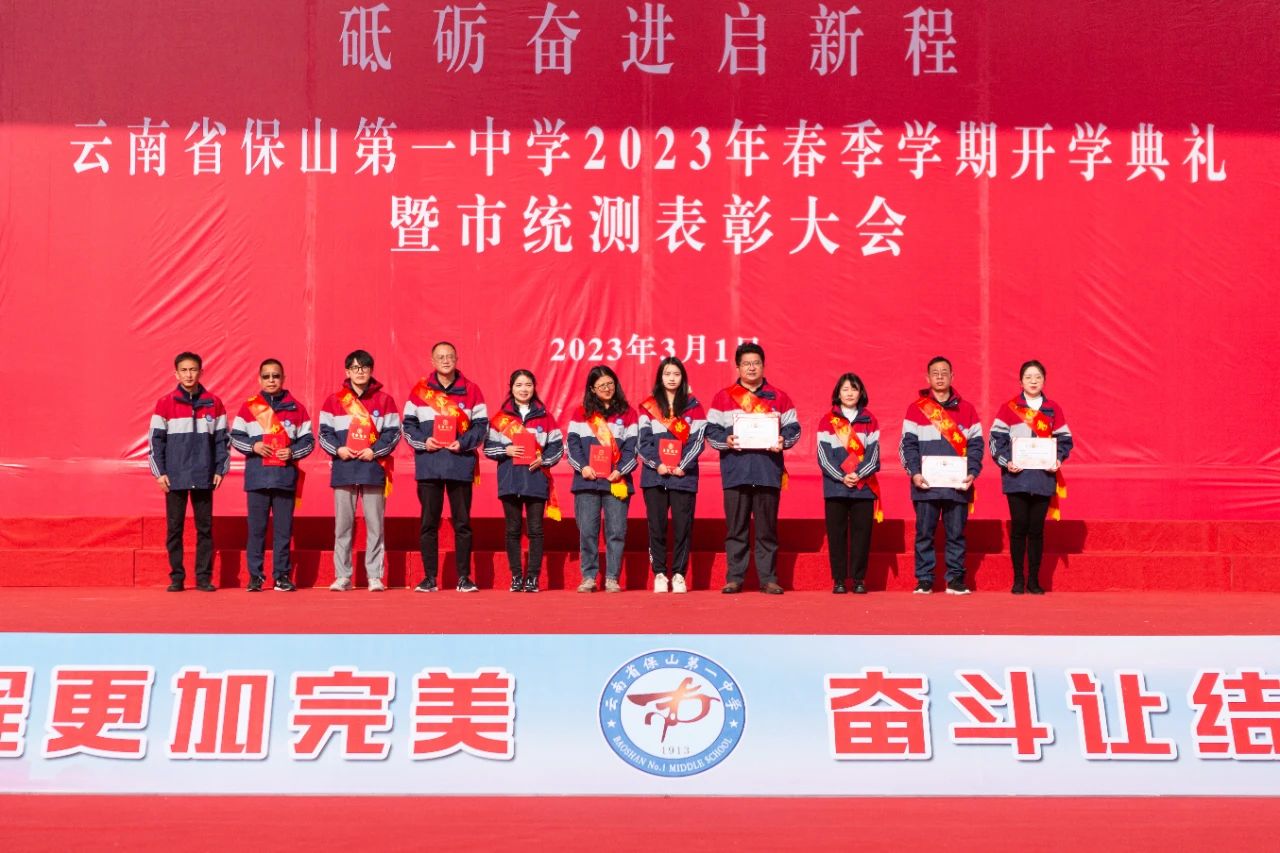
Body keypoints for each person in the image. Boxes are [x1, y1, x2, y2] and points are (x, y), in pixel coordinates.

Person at [705, 343, 801, 595]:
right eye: (746, 363)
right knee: (736, 529)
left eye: (756, 363)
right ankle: (734, 578)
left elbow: (794, 428)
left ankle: (768, 579)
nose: (751, 367)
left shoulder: (779, 397)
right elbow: (710, 430)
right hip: (735, 472)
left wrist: (783, 440)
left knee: (767, 529)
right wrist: (725, 440)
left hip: (767, 471)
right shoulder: (723, 397)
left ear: (763, 366)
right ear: (737, 367)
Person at [402, 341, 489, 593]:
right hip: (429, 465)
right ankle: (429, 578)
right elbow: (407, 425)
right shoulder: (420, 391)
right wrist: (424, 441)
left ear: (457, 358)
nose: (445, 360)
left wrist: (463, 443)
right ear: (432, 361)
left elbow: (481, 426)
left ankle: (464, 577)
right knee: (429, 523)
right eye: (440, 357)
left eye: (450, 356)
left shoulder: (471, 390)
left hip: (459, 464)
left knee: (462, 524)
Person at [899, 356, 984, 595]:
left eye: (944, 372)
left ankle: (955, 579)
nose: (939, 377)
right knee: (924, 534)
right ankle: (925, 579)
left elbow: (977, 445)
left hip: (957, 484)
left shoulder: (967, 409)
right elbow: (907, 445)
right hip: (925, 484)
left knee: (956, 534)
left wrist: (972, 472)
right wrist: (914, 473)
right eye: (935, 373)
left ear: (952, 377)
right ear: (927, 378)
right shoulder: (916, 409)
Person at [229, 359, 314, 592]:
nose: (271, 380)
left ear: (283, 378)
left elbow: (308, 441)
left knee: (283, 532)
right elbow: (235, 437)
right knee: (256, 531)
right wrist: (253, 446)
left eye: (275, 376)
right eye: (266, 376)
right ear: (259, 379)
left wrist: (292, 452)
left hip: (284, 478)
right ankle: (255, 576)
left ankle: (282, 576)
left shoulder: (297, 408)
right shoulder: (249, 407)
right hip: (257, 479)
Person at [318, 349, 400, 592]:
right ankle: (342, 575)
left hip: (373, 467)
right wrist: (338, 449)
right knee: (343, 526)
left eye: (364, 367)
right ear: (347, 372)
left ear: (371, 370)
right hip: (344, 468)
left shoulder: (385, 401)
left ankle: (374, 576)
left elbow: (394, 433)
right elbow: (323, 434)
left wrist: (375, 451)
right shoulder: (333, 401)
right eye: (355, 368)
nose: (360, 371)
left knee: (375, 524)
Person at [989, 359, 1074, 594]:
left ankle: (1034, 580)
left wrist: (1057, 459)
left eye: (1037, 377)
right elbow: (995, 439)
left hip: (1043, 478)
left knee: (1036, 530)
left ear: (1044, 381)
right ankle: (1018, 579)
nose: (1033, 381)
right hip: (1016, 478)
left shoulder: (1053, 409)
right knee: (1019, 528)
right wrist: (1007, 461)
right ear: (1021, 381)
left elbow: (1065, 440)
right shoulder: (1008, 408)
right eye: (1028, 377)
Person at [148, 351, 229, 592]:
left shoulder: (214, 403)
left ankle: (203, 578)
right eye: (183, 370)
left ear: (201, 372)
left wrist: (220, 469)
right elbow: (155, 441)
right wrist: (159, 473)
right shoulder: (165, 403)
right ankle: (177, 577)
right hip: (175, 477)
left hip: (204, 475)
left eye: (193, 369)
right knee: (175, 529)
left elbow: (223, 441)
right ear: (176, 374)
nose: (189, 374)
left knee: (205, 529)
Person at [483, 369, 564, 593]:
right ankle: (516, 576)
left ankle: (533, 578)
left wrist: (544, 460)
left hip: (536, 479)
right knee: (512, 529)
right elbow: (488, 448)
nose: (524, 389)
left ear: (534, 387)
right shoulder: (500, 418)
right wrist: (506, 450)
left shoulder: (546, 417)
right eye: (519, 385)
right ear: (511, 388)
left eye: (528, 385)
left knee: (536, 530)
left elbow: (557, 446)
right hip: (509, 480)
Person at [637, 357, 707, 594]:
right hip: (654, 476)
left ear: (683, 378)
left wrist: (682, 465)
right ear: (660, 377)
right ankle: (659, 573)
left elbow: (697, 441)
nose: (671, 378)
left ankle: (678, 574)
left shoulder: (694, 407)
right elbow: (642, 443)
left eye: (676, 374)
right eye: (667, 374)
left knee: (682, 527)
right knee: (656, 527)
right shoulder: (648, 407)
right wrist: (657, 464)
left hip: (683, 477)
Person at [566, 366, 638, 593]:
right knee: (587, 531)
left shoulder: (628, 413)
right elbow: (572, 446)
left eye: (610, 384)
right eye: (601, 386)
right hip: (587, 481)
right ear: (592, 389)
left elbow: (632, 448)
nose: (607, 389)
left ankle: (612, 578)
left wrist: (621, 470)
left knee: (616, 532)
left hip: (616, 482)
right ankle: (588, 577)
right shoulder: (581, 413)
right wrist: (583, 467)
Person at [816, 373, 882, 595]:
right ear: (838, 393)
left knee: (862, 536)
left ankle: (859, 579)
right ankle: (839, 580)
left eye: (854, 389)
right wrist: (842, 476)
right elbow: (823, 456)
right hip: (836, 488)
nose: (850, 393)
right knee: (836, 536)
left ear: (861, 393)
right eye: (845, 389)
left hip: (863, 488)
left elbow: (874, 456)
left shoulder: (870, 420)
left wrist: (859, 474)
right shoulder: (827, 421)